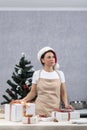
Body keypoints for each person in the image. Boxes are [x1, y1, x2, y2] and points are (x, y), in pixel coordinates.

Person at [11, 46, 74, 116]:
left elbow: (63, 93)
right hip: (39, 110)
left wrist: (66, 105)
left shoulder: (60, 74)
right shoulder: (37, 74)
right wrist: (22, 100)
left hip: (56, 110)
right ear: (42, 60)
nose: (52, 59)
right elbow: (33, 93)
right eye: (49, 57)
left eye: (53, 57)